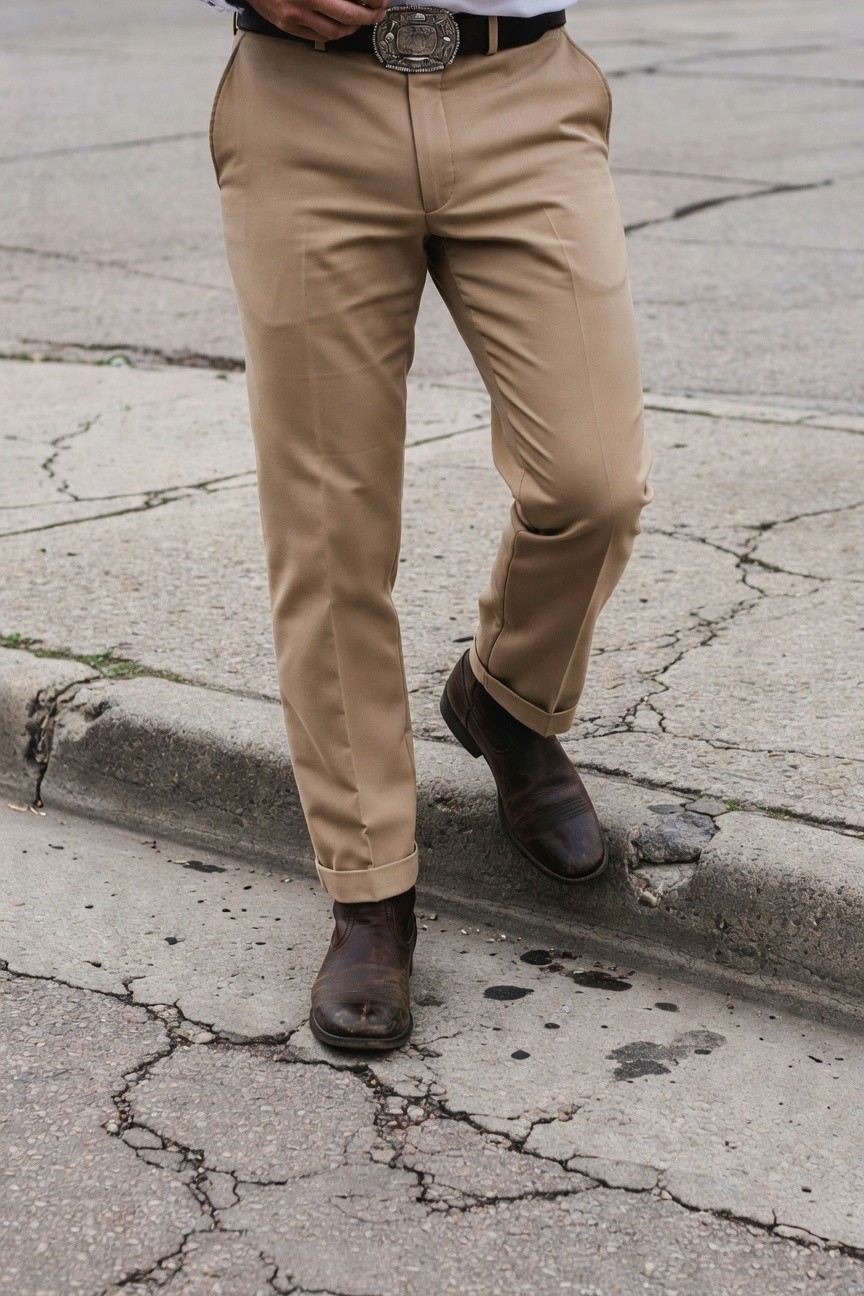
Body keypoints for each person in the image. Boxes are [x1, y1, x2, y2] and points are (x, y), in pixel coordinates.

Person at [203, 0, 652, 1050]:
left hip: (524, 90)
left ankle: (505, 700)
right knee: (328, 528)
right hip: (304, 101)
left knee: (593, 483)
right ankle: (371, 891)